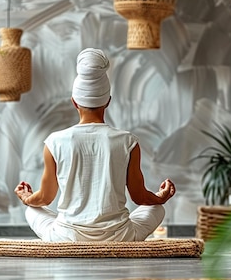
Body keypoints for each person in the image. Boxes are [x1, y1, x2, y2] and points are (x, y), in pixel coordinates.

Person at [14, 48, 176, 242]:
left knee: (32, 211)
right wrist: (161, 197)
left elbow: (45, 198)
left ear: (74, 102)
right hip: (119, 236)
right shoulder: (128, 141)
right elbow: (139, 197)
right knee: (157, 209)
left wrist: (27, 198)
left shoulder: (54, 142)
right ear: (108, 101)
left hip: (67, 236)